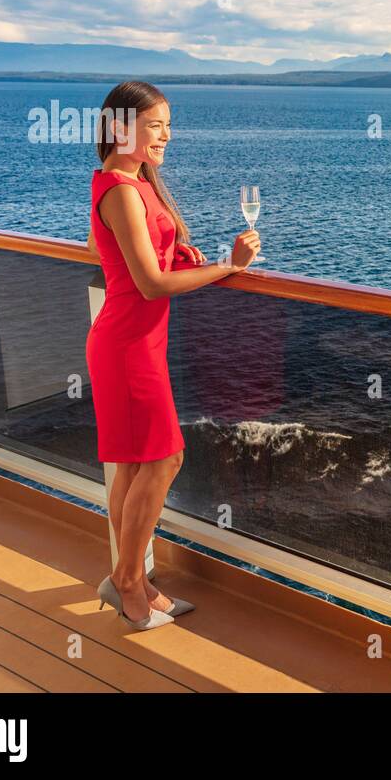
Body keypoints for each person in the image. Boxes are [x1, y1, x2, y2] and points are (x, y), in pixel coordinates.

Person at [85, 80, 260, 629]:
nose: (167, 135)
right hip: (127, 345)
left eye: (167, 125)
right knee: (164, 458)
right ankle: (128, 582)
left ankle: (132, 577)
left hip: (137, 342)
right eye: (156, 125)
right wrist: (228, 267)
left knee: (136, 463)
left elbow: (105, 248)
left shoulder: (131, 183)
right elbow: (150, 285)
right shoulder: (120, 189)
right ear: (120, 128)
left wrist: (176, 249)